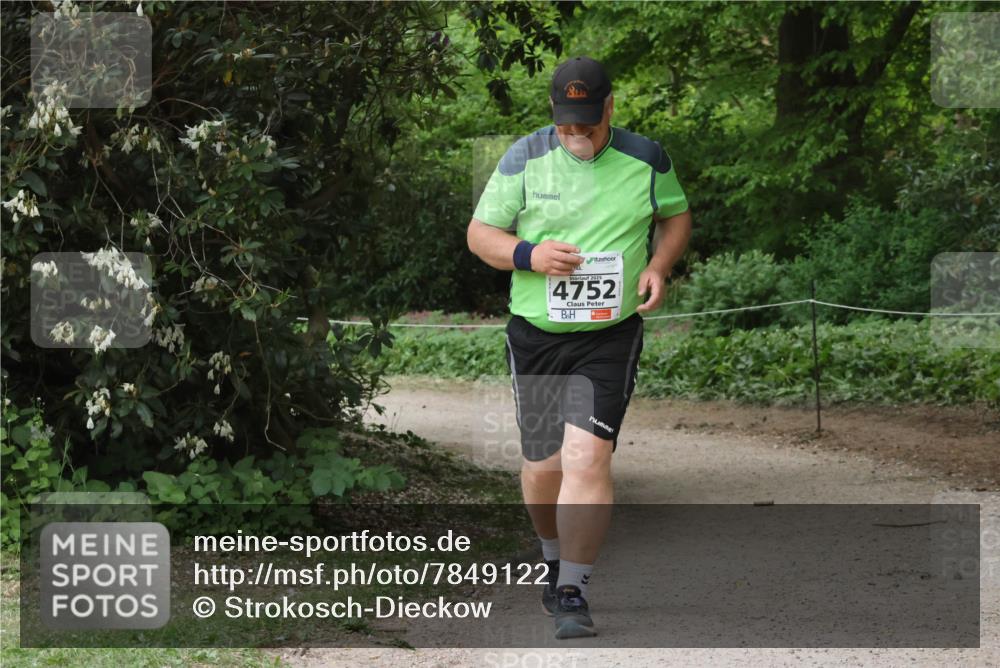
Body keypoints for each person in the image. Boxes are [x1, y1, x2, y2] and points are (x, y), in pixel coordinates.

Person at [466, 56, 692, 639]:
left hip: (609, 335)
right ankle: (550, 555)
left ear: (610, 109)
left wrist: (661, 266)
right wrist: (529, 255)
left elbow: (676, 216)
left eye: (588, 126)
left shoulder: (648, 158)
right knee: (542, 466)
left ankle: (573, 588)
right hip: (537, 333)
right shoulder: (523, 156)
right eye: (568, 126)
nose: (578, 136)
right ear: (553, 115)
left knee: (587, 458)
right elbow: (480, 234)